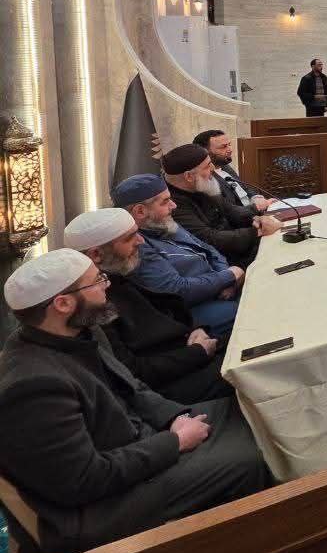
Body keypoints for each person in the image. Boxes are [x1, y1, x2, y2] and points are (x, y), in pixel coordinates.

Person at [0, 250, 270, 553]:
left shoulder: (81, 330)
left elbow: (133, 388)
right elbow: (84, 480)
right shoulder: (32, 387)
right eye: (97, 281)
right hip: (101, 509)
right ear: (63, 304)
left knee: (250, 408)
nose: (107, 285)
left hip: (139, 441)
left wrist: (174, 417)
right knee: (250, 458)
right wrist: (174, 442)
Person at [63, 209, 231, 405]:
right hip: (172, 386)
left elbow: (169, 308)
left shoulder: (121, 270)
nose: (141, 241)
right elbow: (133, 372)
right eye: (130, 238)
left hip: (190, 353)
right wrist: (198, 352)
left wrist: (196, 329)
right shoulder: (92, 304)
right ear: (96, 254)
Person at [112, 174, 244, 339]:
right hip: (189, 311)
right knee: (248, 311)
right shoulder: (137, 246)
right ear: (140, 211)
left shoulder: (162, 222)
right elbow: (178, 290)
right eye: (165, 201)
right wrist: (228, 276)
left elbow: (210, 251)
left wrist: (228, 278)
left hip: (219, 290)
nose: (174, 205)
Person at [162, 144, 280, 270]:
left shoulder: (200, 182)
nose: (213, 168)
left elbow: (230, 210)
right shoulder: (170, 204)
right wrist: (257, 231)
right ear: (189, 176)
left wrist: (257, 218)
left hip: (240, 245)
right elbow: (209, 239)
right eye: (207, 166)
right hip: (223, 264)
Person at [192, 129, 267, 210]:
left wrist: (257, 198)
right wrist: (256, 208)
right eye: (223, 147)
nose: (230, 150)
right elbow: (227, 210)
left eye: (229, 144)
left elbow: (244, 188)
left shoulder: (225, 166)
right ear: (205, 152)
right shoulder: (206, 177)